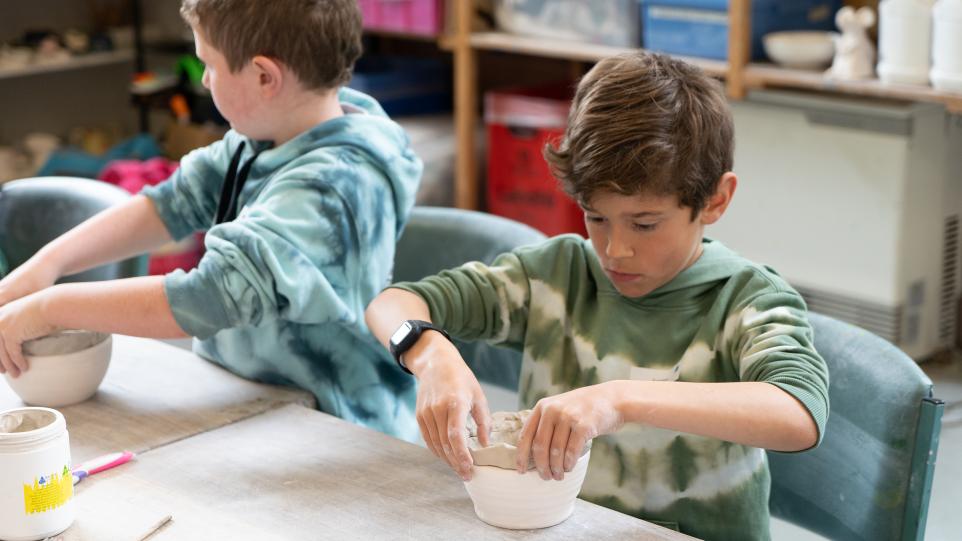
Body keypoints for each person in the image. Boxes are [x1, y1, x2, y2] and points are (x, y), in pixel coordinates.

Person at [365, 51, 829, 539]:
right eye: (596, 216)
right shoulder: (556, 273)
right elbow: (390, 303)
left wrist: (620, 400)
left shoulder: (744, 298)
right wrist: (430, 355)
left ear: (715, 200)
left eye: (645, 223)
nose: (615, 249)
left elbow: (798, 411)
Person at [0, 0, 423, 441]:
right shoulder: (266, 137)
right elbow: (171, 204)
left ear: (265, 77)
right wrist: (46, 265)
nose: (203, 79)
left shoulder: (333, 184)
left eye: (209, 65)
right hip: (250, 402)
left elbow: (207, 297)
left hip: (335, 428)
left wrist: (50, 308)